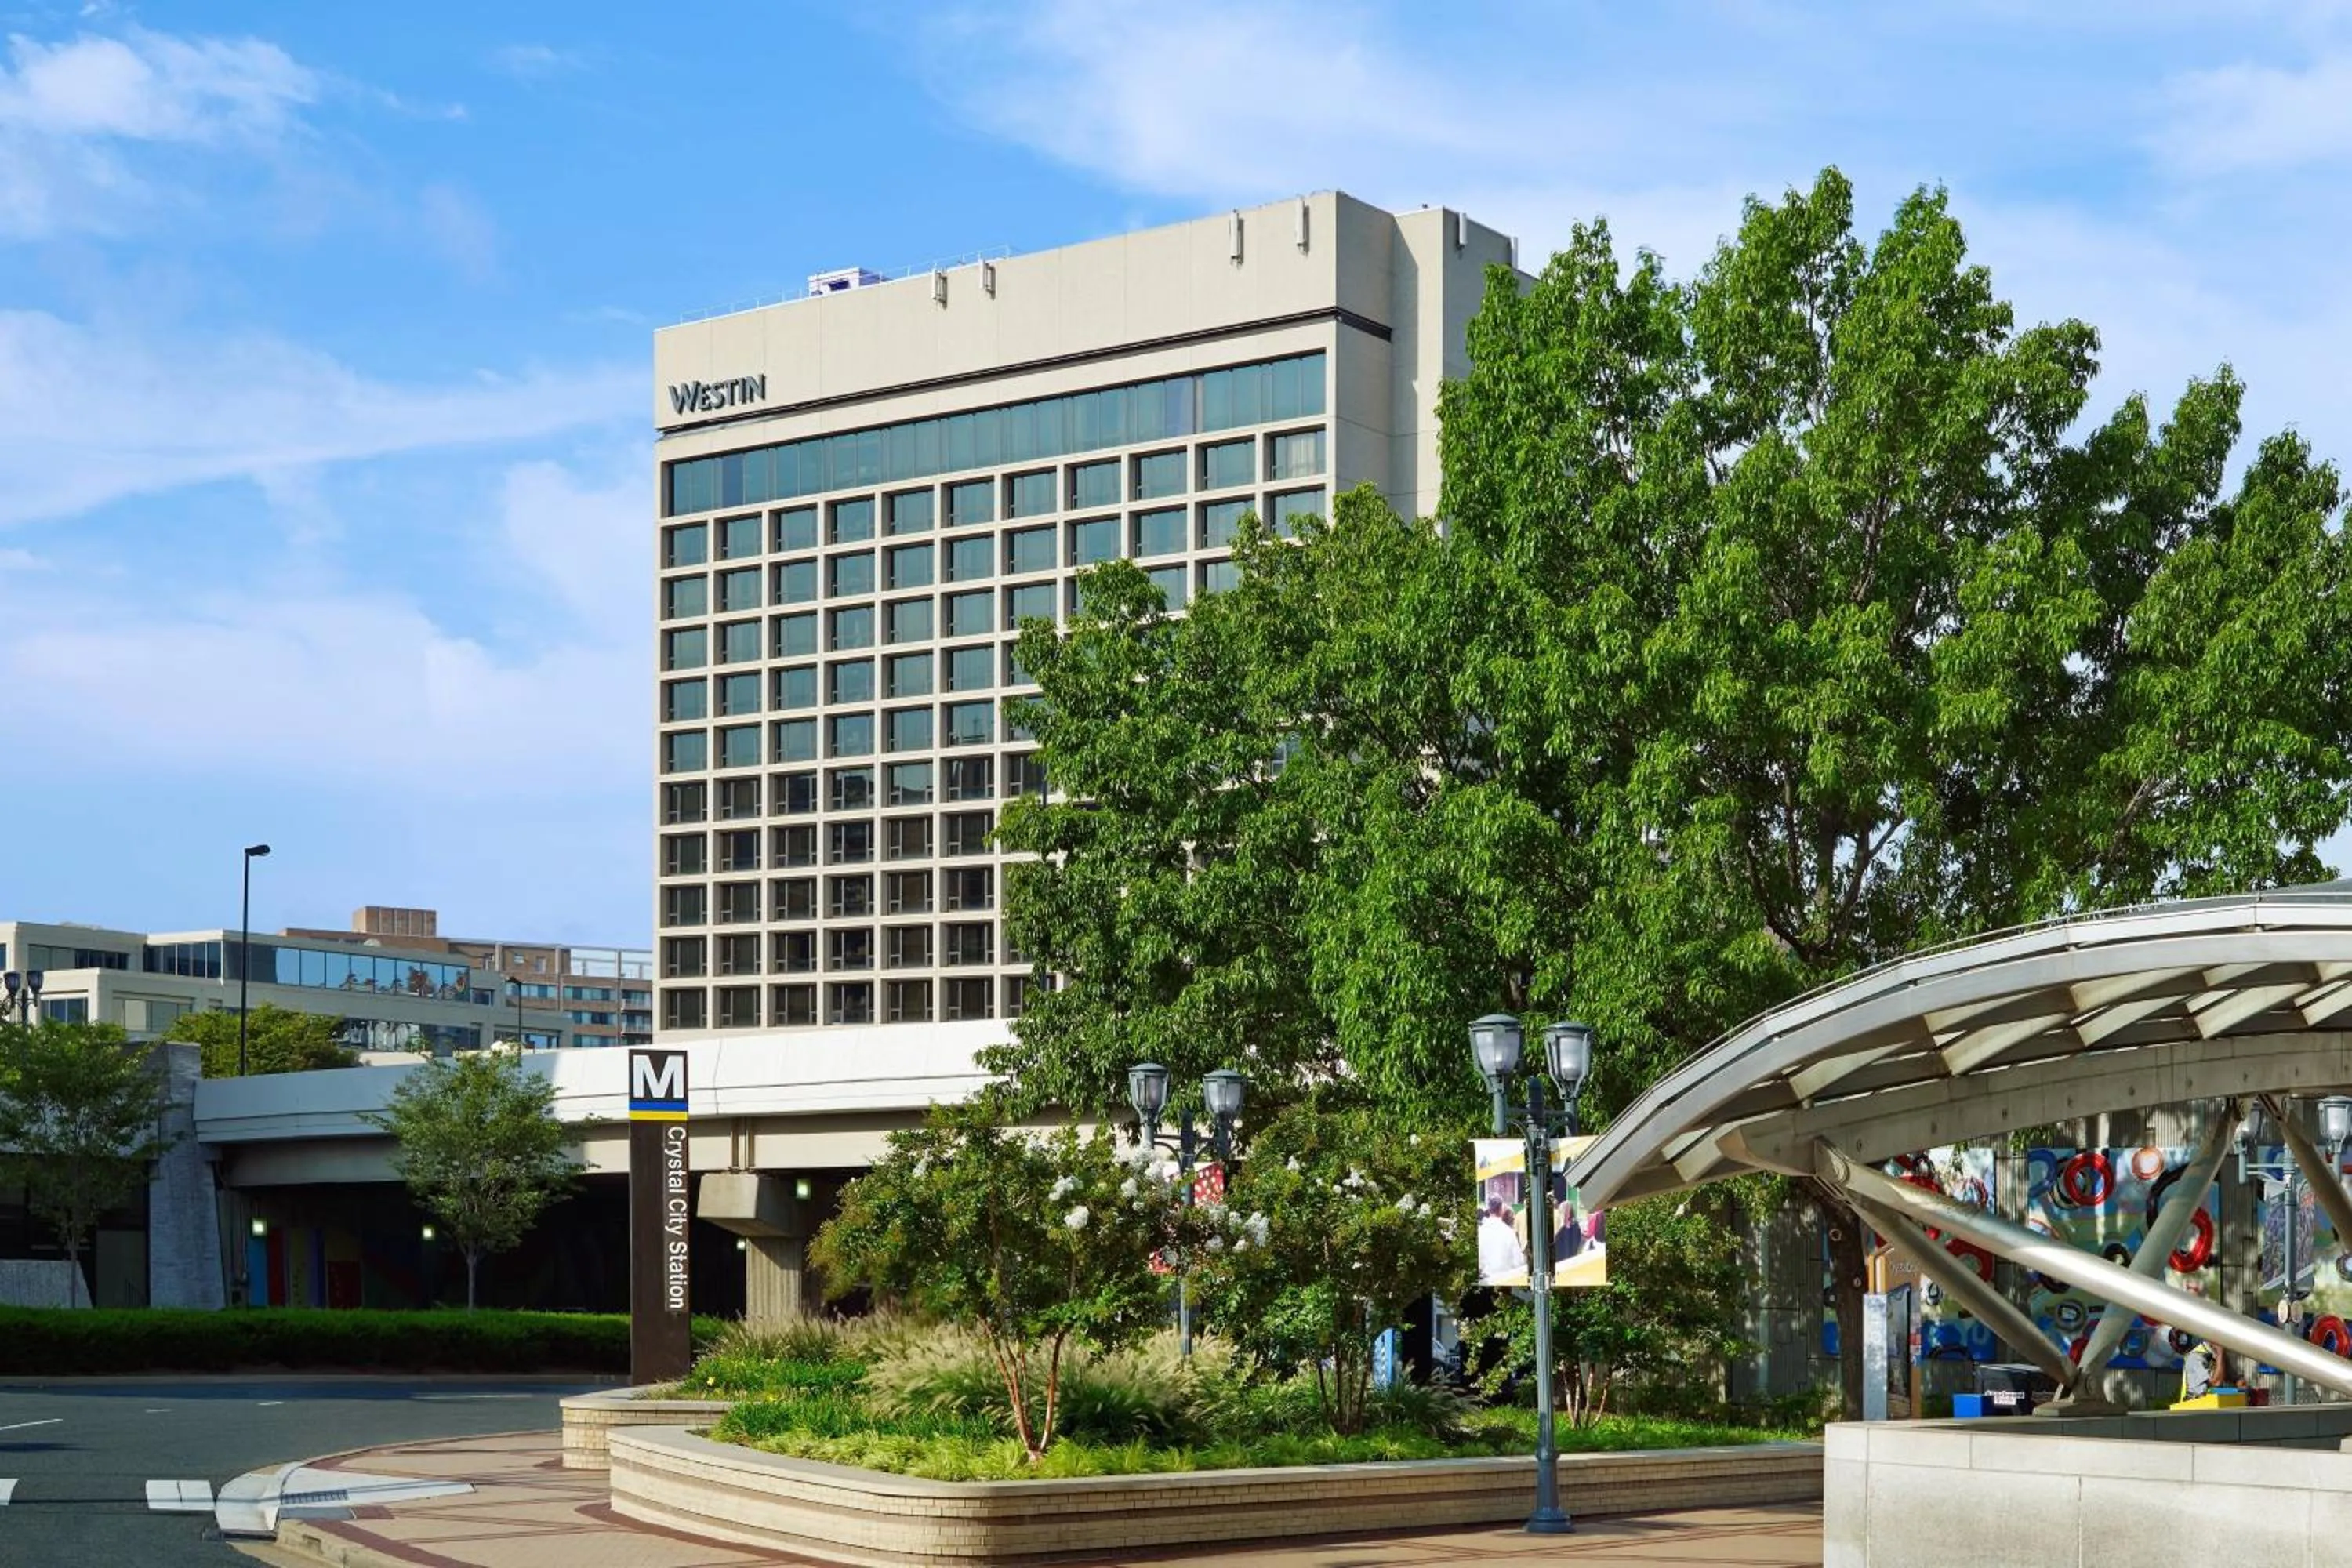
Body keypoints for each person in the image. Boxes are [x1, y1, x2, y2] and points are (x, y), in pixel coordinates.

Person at [1479, 1198, 1528, 1282]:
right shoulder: (1508, 1232)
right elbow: (1518, 1261)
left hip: (1485, 1279)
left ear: (1489, 1210)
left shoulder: (1481, 1231)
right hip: (1504, 1278)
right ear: (1501, 1210)